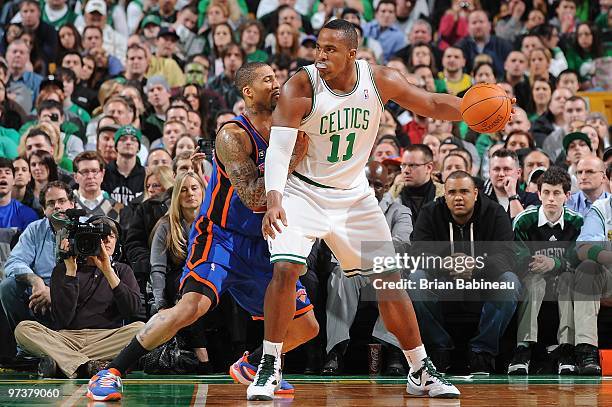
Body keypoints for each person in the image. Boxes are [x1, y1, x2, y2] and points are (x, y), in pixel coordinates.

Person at [255, 20, 462, 400]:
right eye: (318, 47)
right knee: (286, 268)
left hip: (354, 197)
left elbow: (431, 102)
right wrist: (274, 200)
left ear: (352, 54)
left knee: (389, 281)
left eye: (330, 50)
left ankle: (419, 368)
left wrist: (471, 108)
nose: (320, 55)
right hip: (303, 192)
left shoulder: (378, 79)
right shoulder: (300, 87)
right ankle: (269, 365)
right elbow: (279, 150)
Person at [87, 63, 318, 402]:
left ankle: (254, 364)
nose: (277, 83)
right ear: (248, 92)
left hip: (263, 241)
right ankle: (112, 371)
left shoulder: (287, 127)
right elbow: (254, 195)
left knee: (306, 326)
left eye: (277, 77)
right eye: (268, 79)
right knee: (192, 307)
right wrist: (295, 154)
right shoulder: (232, 135)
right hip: (221, 236)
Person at [408, 171, 519, 374]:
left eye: (464, 191)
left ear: (476, 193)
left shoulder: (494, 213)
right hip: (442, 281)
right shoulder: (430, 212)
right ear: (444, 195)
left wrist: (476, 265)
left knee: (509, 281)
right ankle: (439, 349)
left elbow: (508, 257)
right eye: (452, 192)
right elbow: (417, 254)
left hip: (483, 282)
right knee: (416, 280)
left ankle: (482, 351)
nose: (458, 197)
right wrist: (445, 264)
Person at [14, 217, 143, 378]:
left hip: (108, 337)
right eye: (101, 237)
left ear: (117, 243)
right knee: (23, 329)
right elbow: (63, 319)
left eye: (112, 236)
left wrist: (108, 271)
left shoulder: (122, 270)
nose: (107, 240)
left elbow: (132, 310)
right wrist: (70, 273)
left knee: (141, 329)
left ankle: (65, 362)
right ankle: (88, 364)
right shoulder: (62, 270)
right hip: (67, 337)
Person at [508, 167, 584, 375]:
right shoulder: (524, 220)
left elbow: (579, 257)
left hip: (564, 277)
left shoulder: (577, 222)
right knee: (535, 282)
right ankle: (523, 348)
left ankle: (566, 349)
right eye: (547, 193)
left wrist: (555, 264)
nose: (551, 198)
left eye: (557, 193)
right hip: (533, 274)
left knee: (568, 280)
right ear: (539, 194)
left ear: (567, 196)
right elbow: (517, 257)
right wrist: (537, 262)